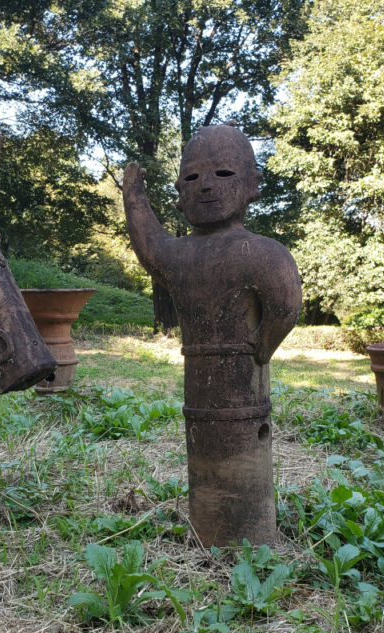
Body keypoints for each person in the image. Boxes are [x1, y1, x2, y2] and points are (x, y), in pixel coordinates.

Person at [122, 124, 302, 546]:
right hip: (204, 395)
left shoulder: (262, 252)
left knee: (238, 441)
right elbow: (150, 244)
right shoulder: (181, 253)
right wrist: (133, 193)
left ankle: (245, 537)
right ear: (180, 192)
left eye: (222, 175)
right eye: (191, 178)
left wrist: (262, 345)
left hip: (243, 392)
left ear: (252, 186)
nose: (205, 187)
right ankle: (217, 535)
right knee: (208, 443)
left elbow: (285, 306)